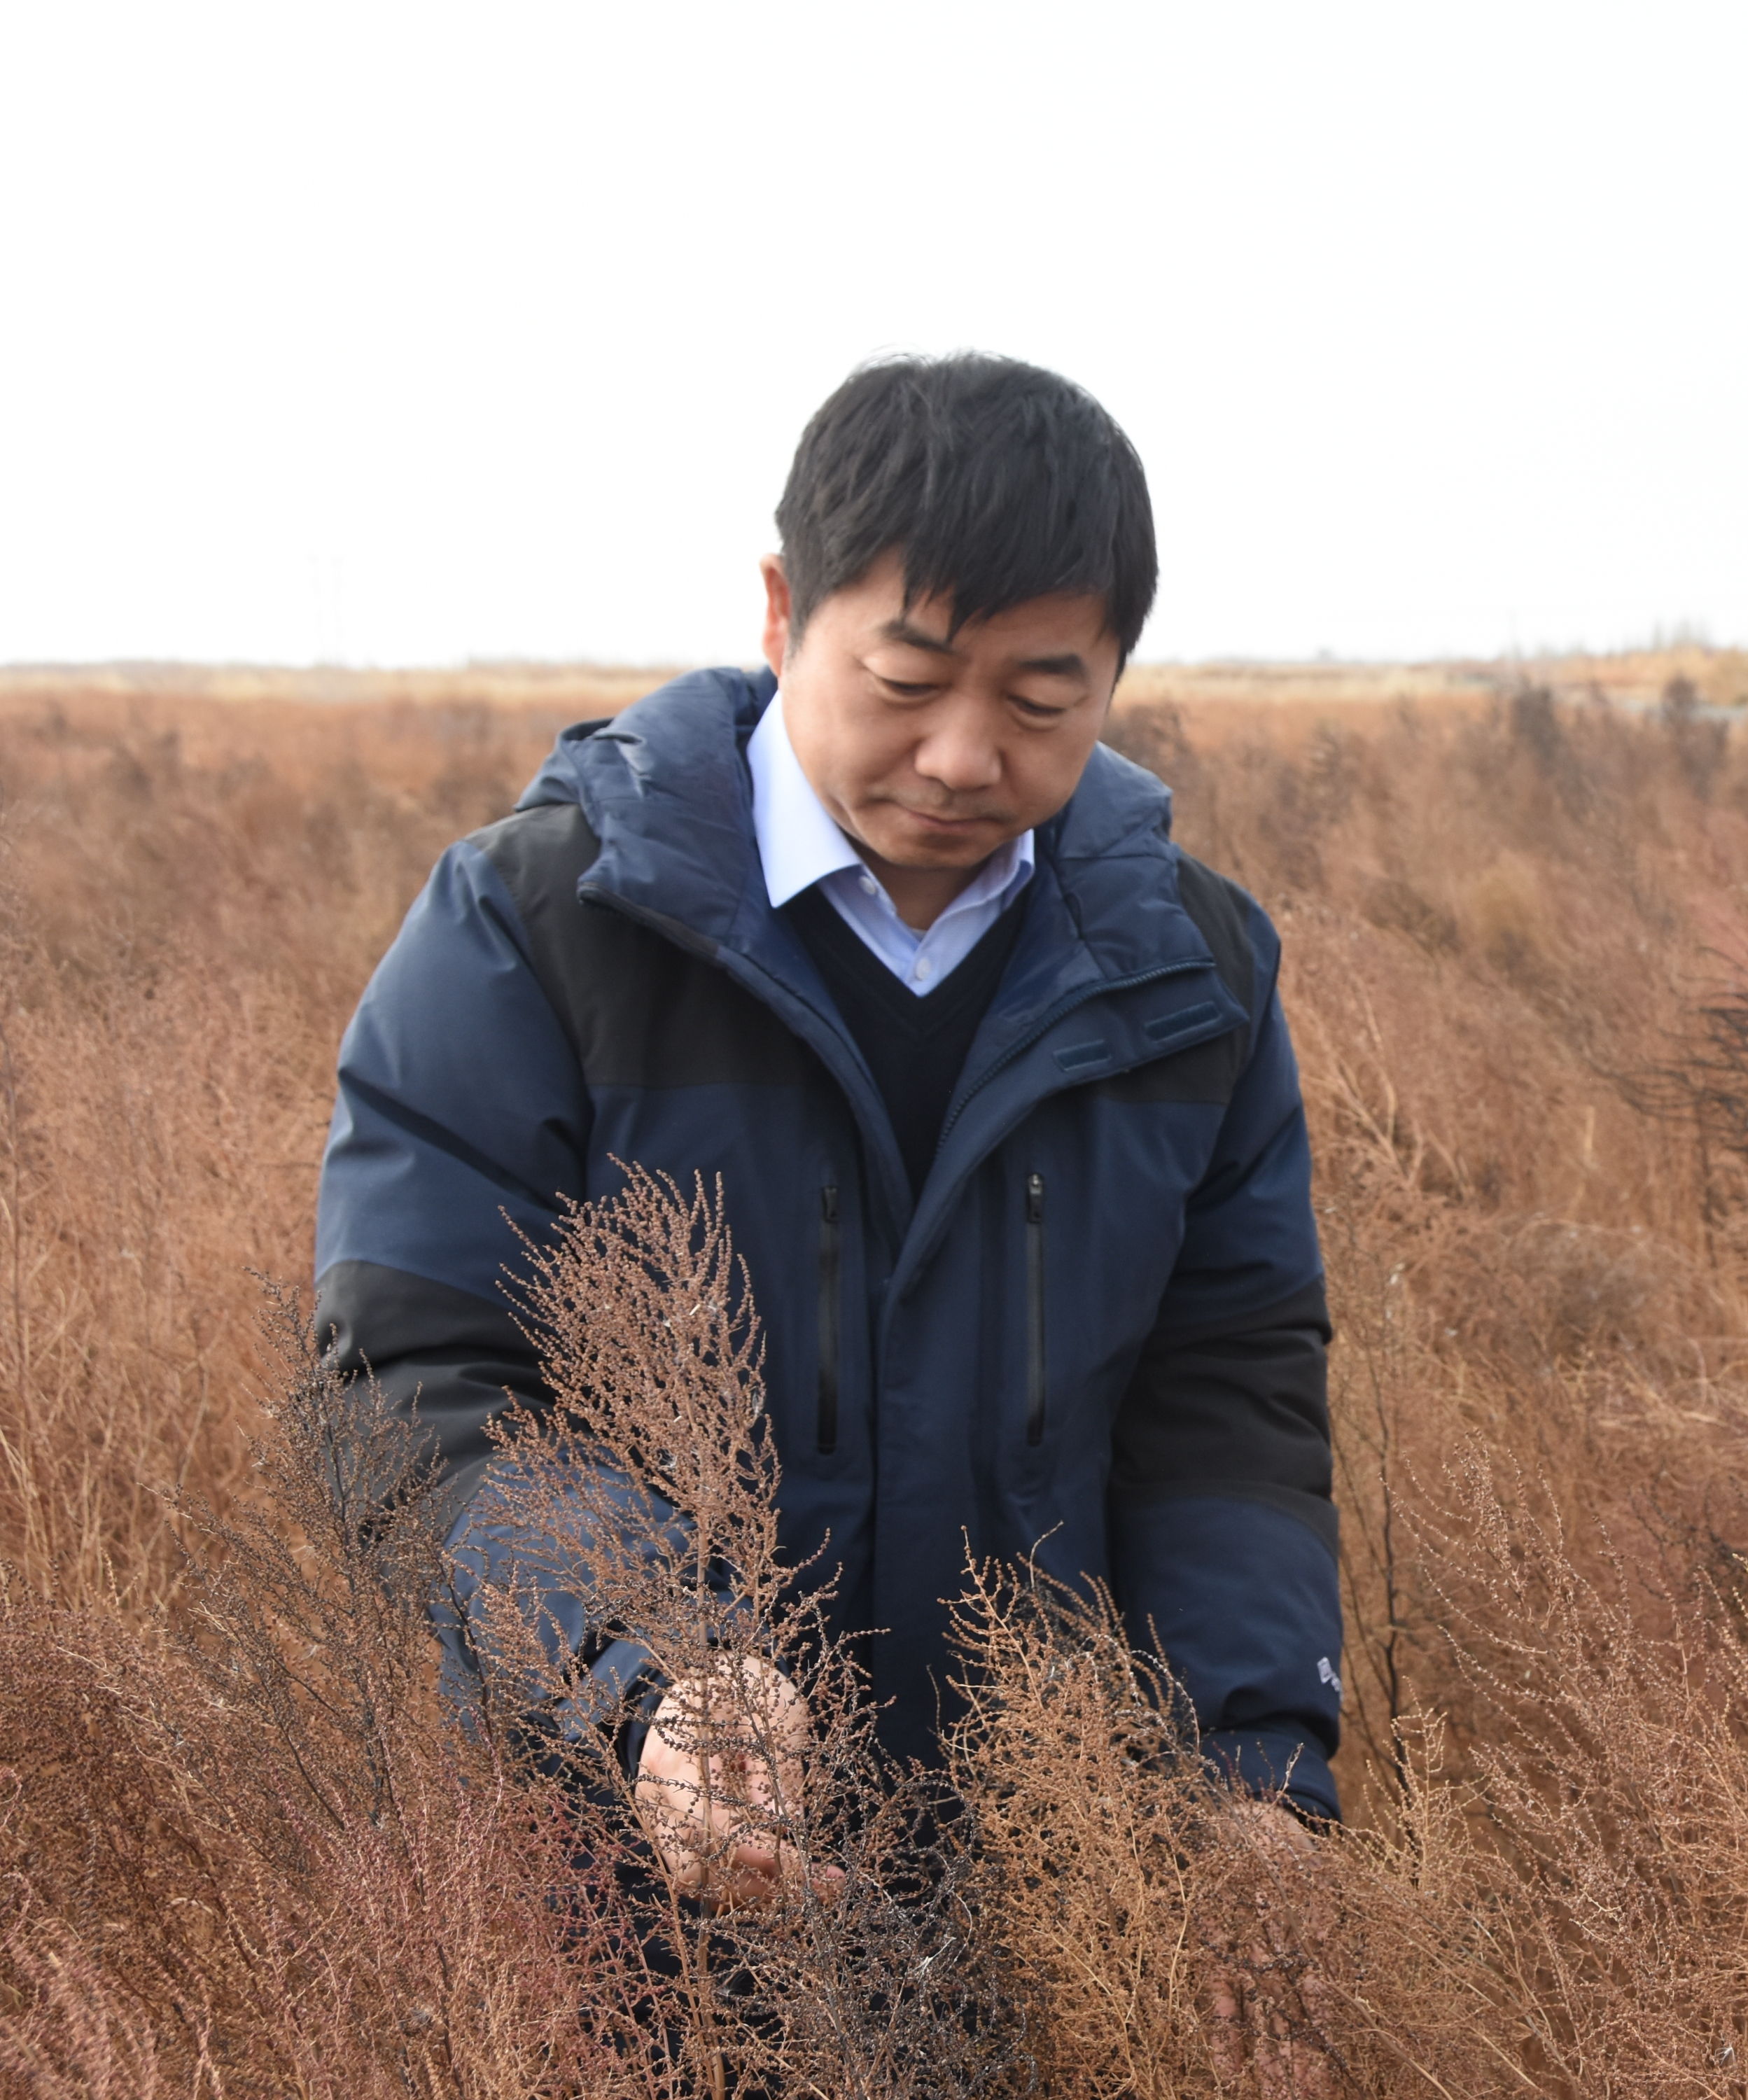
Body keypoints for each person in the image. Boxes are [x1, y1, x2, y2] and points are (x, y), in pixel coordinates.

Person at [316, 353, 1342, 1898]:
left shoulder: (1191, 970)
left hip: (1056, 1877)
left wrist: (1252, 1772)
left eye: (1040, 698)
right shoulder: (540, 927)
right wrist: (649, 1683)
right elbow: (418, 1377)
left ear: (1116, 673)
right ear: (785, 612)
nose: (961, 757)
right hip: (623, 1859)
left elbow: (1228, 1394)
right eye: (909, 683)